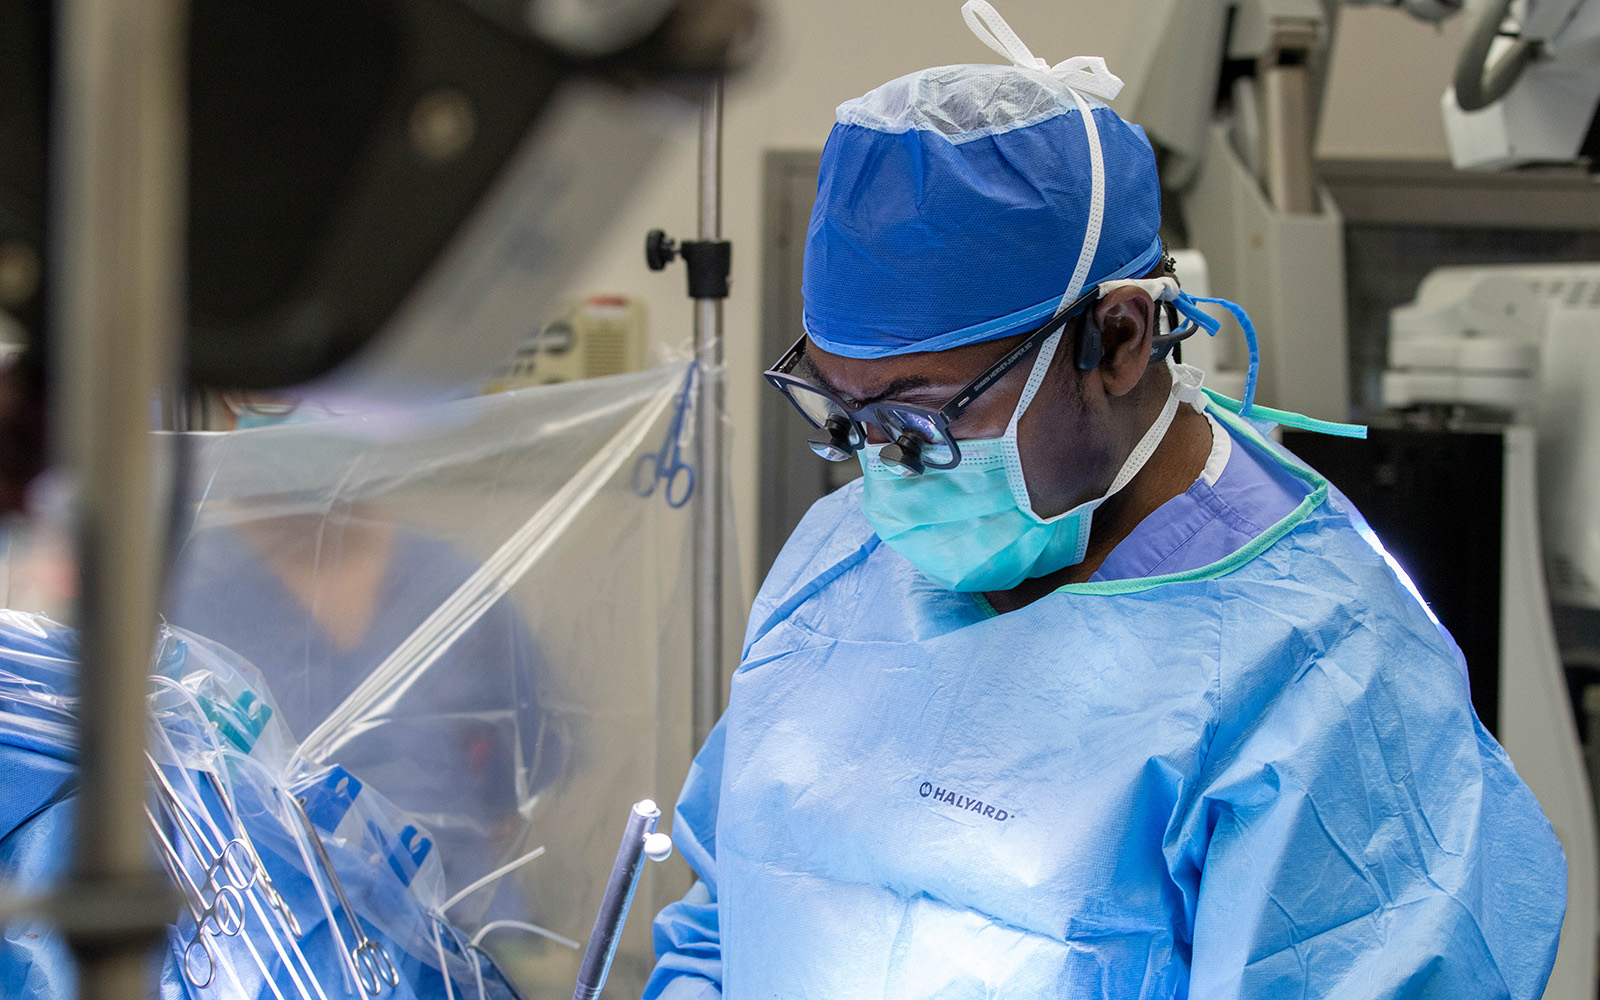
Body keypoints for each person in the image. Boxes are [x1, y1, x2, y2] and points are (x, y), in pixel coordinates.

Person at [644, 3, 1566, 998]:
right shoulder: (843, 555)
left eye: (923, 417)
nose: (882, 468)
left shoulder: (1319, 673)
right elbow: (731, 917)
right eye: (845, 411)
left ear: (1118, 342)